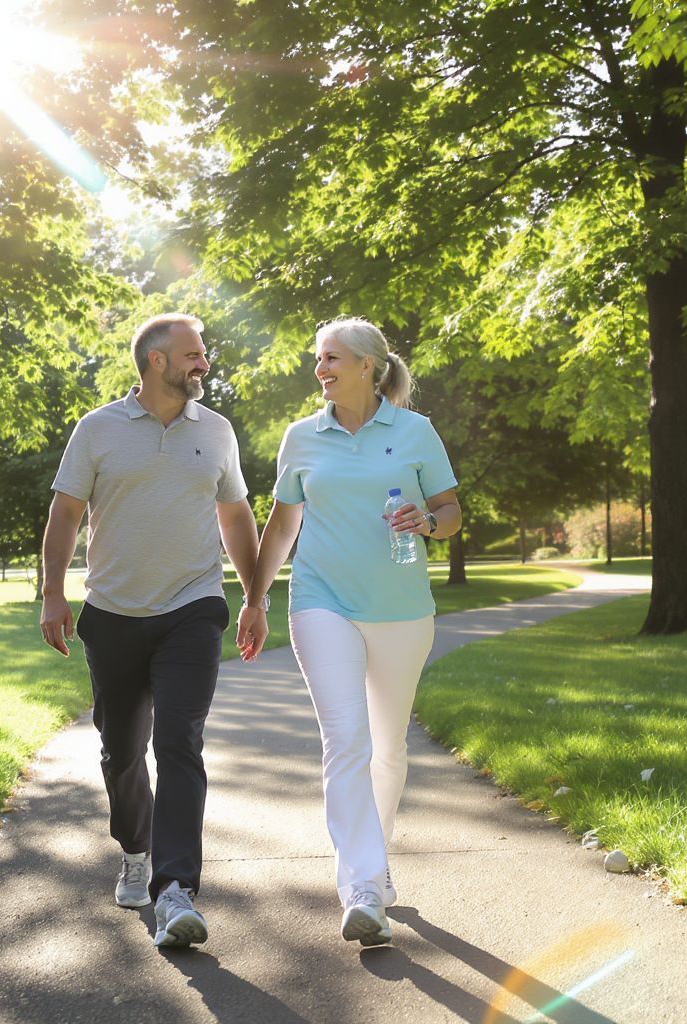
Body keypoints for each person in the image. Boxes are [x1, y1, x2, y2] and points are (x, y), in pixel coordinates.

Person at [236, 316, 461, 947]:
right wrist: (254, 596)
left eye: (331, 357)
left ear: (368, 364)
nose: (320, 369)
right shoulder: (302, 437)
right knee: (347, 740)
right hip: (319, 599)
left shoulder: (416, 431)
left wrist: (429, 524)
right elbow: (281, 529)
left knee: (388, 747)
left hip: (401, 606)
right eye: (317, 359)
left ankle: (375, 862)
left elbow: (450, 511)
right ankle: (361, 886)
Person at [40, 312, 261, 949]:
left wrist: (253, 595)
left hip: (193, 607)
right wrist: (54, 593)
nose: (205, 364)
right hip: (111, 614)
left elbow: (236, 515)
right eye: (193, 354)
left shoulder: (216, 431)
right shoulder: (98, 429)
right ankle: (135, 849)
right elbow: (65, 512)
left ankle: (175, 890)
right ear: (156, 362)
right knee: (121, 752)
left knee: (180, 741)